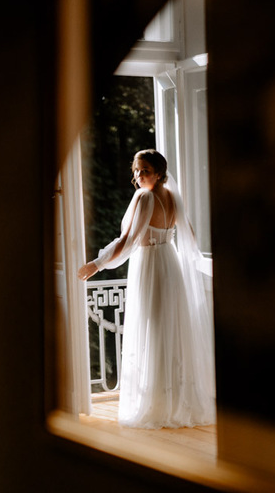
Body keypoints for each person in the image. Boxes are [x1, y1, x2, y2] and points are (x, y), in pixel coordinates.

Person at [78, 149, 216, 429]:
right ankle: (173, 401)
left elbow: (127, 239)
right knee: (168, 330)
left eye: (145, 171)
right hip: (170, 264)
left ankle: (156, 405)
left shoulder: (145, 197)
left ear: (159, 173)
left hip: (151, 266)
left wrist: (96, 264)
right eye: (137, 171)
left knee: (154, 330)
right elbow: (190, 238)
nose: (139, 177)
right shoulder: (172, 197)